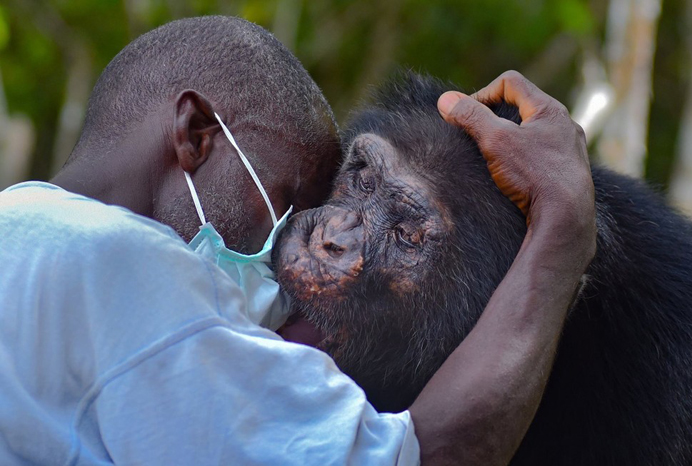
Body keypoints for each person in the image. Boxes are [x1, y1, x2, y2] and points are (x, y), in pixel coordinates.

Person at [0, 16, 595, 466]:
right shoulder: (128, 270)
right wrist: (563, 229)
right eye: (356, 181)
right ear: (196, 135)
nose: (319, 234)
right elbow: (424, 455)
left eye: (407, 231)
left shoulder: (22, 225)